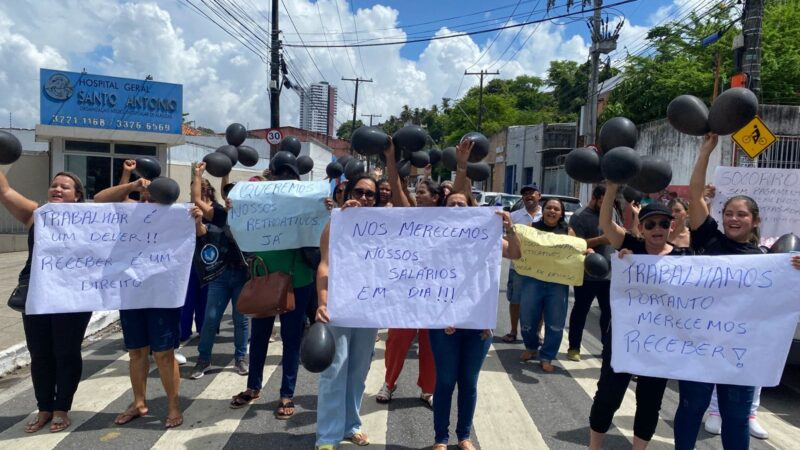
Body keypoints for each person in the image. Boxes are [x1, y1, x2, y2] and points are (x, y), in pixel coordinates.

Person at [673, 133, 800, 450]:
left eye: (741, 214)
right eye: (729, 213)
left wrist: (794, 271)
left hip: (740, 356)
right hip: (700, 349)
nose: (733, 218)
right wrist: (705, 152)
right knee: (690, 409)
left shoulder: (767, 262)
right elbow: (695, 197)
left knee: (736, 417)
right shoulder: (709, 238)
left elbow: (777, 307)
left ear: (755, 220)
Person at [430, 144, 523, 450]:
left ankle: (464, 436)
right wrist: (461, 167)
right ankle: (441, 438)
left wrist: (510, 229)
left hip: (478, 324)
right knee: (445, 381)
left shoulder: (486, 236)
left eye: (462, 205)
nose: (457, 208)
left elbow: (517, 254)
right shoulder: (432, 239)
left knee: (468, 383)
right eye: (451, 205)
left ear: (471, 210)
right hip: (444, 322)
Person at [588, 181, 692, 450]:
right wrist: (612, 188)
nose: (656, 229)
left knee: (650, 400)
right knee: (608, 395)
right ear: (641, 228)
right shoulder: (631, 248)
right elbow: (606, 225)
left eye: (662, 223)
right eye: (650, 224)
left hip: (661, 344)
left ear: (672, 226)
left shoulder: (686, 258)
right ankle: (594, 446)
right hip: (624, 338)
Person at [228, 158, 320, 421]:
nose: (281, 181)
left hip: (298, 280)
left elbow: (322, 231)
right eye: (276, 176)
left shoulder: (306, 206)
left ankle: (286, 394)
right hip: (264, 279)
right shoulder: (257, 206)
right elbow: (236, 231)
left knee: (292, 340)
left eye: (286, 177)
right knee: (258, 337)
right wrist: (234, 210)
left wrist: (326, 209)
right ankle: (253, 387)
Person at [0, 169, 92, 433]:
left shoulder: (91, 221)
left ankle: (61, 407)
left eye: (65, 187)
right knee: (40, 354)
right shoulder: (36, 215)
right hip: (37, 296)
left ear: (77, 197)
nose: (58, 190)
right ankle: (44, 408)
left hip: (73, 297)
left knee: (65, 352)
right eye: (54, 185)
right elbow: (5, 192)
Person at [93, 176, 187, 429]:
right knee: (136, 352)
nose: (147, 200)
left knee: (164, 354)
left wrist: (196, 217)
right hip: (132, 293)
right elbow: (99, 199)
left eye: (153, 198)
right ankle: (138, 402)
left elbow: (195, 231)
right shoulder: (130, 210)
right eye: (145, 196)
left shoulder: (176, 216)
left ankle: (173, 406)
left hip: (162, 296)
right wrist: (131, 186)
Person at [315, 173, 382, 450]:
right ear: (346, 192)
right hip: (340, 308)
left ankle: (351, 425)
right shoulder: (335, 225)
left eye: (370, 194)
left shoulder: (385, 226)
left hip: (369, 309)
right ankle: (328, 436)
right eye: (359, 191)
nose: (364, 198)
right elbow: (324, 265)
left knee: (358, 370)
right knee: (335, 369)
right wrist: (322, 302)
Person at [374, 177, 439, 406]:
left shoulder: (447, 221)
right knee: (396, 341)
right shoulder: (409, 217)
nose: (418, 195)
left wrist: (462, 167)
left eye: (423, 192)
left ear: (435, 197)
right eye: (417, 192)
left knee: (431, 343)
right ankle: (389, 383)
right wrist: (392, 160)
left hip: (434, 294)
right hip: (405, 293)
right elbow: (399, 192)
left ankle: (428, 389)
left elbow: (464, 192)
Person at [189, 162, 250, 379]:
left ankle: (241, 358)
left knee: (241, 318)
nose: (234, 201)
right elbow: (197, 204)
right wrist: (198, 174)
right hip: (220, 276)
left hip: (242, 274)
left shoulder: (245, 217)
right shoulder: (218, 215)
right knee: (211, 318)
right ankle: (203, 360)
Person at [518, 197, 577, 372]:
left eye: (556, 209)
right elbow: (521, 249)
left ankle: (547, 356)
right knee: (527, 317)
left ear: (561, 214)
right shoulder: (531, 229)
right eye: (549, 208)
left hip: (558, 283)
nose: (552, 211)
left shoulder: (568, 232)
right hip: (532, 280)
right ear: (542, 211)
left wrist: (586, 251)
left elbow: (576, 254)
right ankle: (530, 347)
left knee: (555, 322)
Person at [566, 185, 619, 361]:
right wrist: (601, 239)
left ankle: (607, 349)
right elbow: (576, 244)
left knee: (609, 314)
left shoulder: (613, 212)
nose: (607, 207)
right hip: (586, 274)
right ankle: (574, 347)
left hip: (610, 275)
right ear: (595, 198)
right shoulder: (579, 216)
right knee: (581, 311)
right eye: (604, 202)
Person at [502, 183, 542, 343]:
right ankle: (513, 331)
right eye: (525, 194)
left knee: (540, 302)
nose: (528, 196)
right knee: (516, 300)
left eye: (532, 193)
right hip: (518, 267)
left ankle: (538, 333)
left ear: (539, 195)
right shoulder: (514, 216)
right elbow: (504, 237)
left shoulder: (546, 216)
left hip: (541, 268)